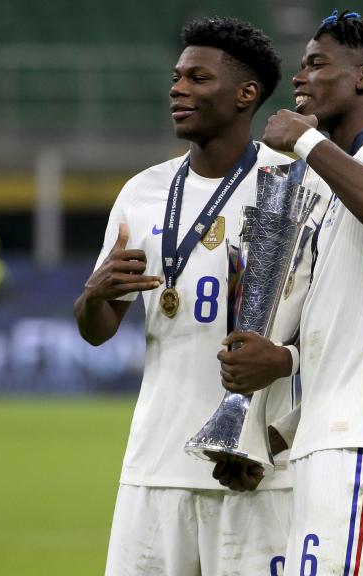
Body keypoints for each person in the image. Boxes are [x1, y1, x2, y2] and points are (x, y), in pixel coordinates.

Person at [73, 18, 309, 575]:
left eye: (198, 78)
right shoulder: (143, 192)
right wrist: (94, 295)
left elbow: (327, 324)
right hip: (154, 467)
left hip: (255, 469)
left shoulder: (295, 184)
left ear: (246, 94)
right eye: (176, 78)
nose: (177, 89)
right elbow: (98, 329)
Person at [218, 9, 363, 574]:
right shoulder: (338, 187)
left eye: (317, 65)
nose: (299, 78)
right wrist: (276, 431)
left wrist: (309, 142)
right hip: (333, 436)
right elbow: (340, 328)